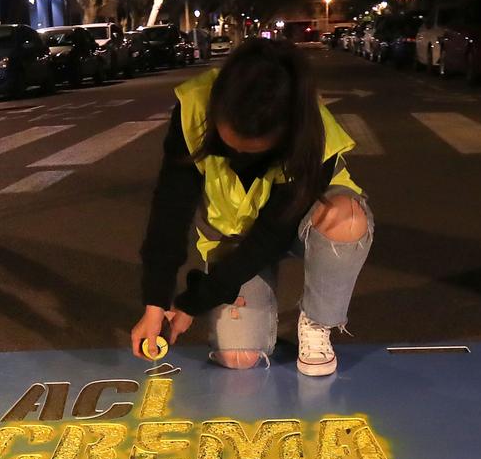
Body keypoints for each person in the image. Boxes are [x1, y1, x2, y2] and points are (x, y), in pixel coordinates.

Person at [130, 40, 372, 376]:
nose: (239, 159)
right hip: (234, 241)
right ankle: (254, 309)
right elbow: (170, 209)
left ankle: (317, 321)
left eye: (252, 152)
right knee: (240, 357)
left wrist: (197, 300)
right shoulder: (192, 108)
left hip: (297, 223)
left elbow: (273, 233)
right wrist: (156, 302)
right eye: (229, 147)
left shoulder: (310, 132)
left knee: (345, 219)